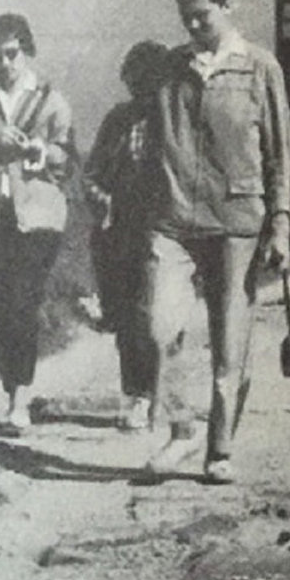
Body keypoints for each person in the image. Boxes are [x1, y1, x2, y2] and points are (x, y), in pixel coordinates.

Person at [143, 0, 290, 483]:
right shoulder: (169, 68)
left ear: (228, 5)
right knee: (160, 328)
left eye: (202, 15)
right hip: (174, 222)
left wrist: (281, 223)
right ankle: (182, 430)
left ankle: (220, 448)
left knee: (230, 344)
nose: (192, 25)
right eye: (185, 16)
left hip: (237, 221)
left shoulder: (260, 67)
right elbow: (151, 143)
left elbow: (279, 153)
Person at [0, 14, 75, 436]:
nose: (5, 63)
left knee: (22, 301)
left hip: (38, 218)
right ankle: (12, 394)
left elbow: (68, 160)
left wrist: (41, 150)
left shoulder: (52, 101)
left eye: (12, 53)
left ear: (27, 50)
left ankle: (20, 402)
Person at [83, 40, 171, 432]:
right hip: (118, 231)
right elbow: (92, 174)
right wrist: (103, 202)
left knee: (150, 315)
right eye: (134, 82)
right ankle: (137, 395)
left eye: (149, 83)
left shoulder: (175, 122)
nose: (141, 91)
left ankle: (156, 394)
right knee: (125, 319)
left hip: (162, 229)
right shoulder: (117, 121)